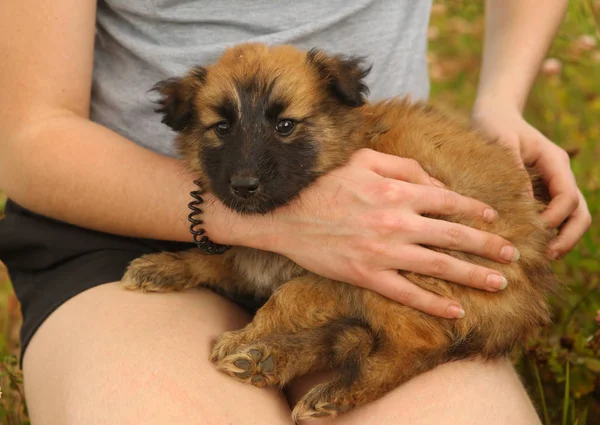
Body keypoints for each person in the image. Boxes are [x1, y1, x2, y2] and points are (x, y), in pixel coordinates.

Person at [0, 0, 591, 424]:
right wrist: (272, 223)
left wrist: (502, 98)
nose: (248, 168)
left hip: (383, 219)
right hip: (121, 219)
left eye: (285, 127)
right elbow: (28, 139)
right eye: (219, 129)